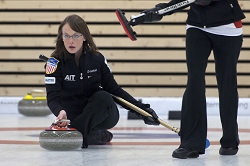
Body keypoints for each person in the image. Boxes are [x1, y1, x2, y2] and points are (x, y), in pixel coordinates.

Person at [139, 0, 245, 159]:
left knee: (226, 82)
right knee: (194, 81)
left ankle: (230, 140)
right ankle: (190, 144)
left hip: (228, 26)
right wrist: (161, 10)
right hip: (197, 25)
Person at [43, 14, 160, 148]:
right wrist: (60, 112)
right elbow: (52, 97)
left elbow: (115, 91)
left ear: (84, 37)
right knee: (87, 130)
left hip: (100, 114)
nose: (71, 41)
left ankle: (76, 132)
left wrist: (142, 111)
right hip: (71, 115)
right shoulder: (54, 62)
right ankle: (91, 134)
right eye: (66, 36)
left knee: (104, 96)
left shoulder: (97, 59)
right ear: (61, 37)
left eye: (76, 35)